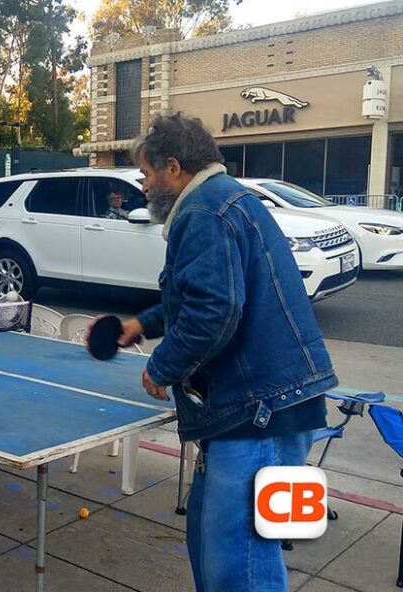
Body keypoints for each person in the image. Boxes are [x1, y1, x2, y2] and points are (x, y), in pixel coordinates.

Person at [118, 113, 334, 591]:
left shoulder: (202, 212)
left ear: (173, 167)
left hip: (260, 413)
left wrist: (163, 365)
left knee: (241, 566)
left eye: (148, 172)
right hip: (270, 406)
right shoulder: (229, 200)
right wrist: (145, 324)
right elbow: (205, 294)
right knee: (212, 544)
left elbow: (215, 309)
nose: (144, 183)